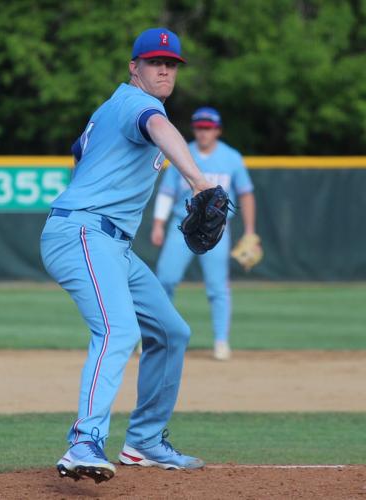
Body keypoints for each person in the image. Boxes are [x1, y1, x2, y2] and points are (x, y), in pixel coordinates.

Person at [40, 28, 213, 483]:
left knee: (172, 331)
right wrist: (197, 179)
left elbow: (80, 151)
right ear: (133, 67)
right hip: (84, 231)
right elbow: (157, 126)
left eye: (171, 63)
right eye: (154, 61)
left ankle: (145, 442)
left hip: (111, 242)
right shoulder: (141, 106)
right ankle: (83, 442)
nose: (163, 69)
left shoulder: (111, 108)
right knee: (118, 330)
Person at [151, 107, 257, 360]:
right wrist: (157, 223)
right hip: (182, 226)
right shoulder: (181, 151)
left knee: (217, 287)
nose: (203, 132)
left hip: (217, 231)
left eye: (208, 127)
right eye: (199, 127)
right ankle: (155, 338)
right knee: (164, 281)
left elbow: (246, 193)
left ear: (217, 130)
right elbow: (167, 192)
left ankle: (221, 341)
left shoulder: (231, 158)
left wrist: (250, 231)